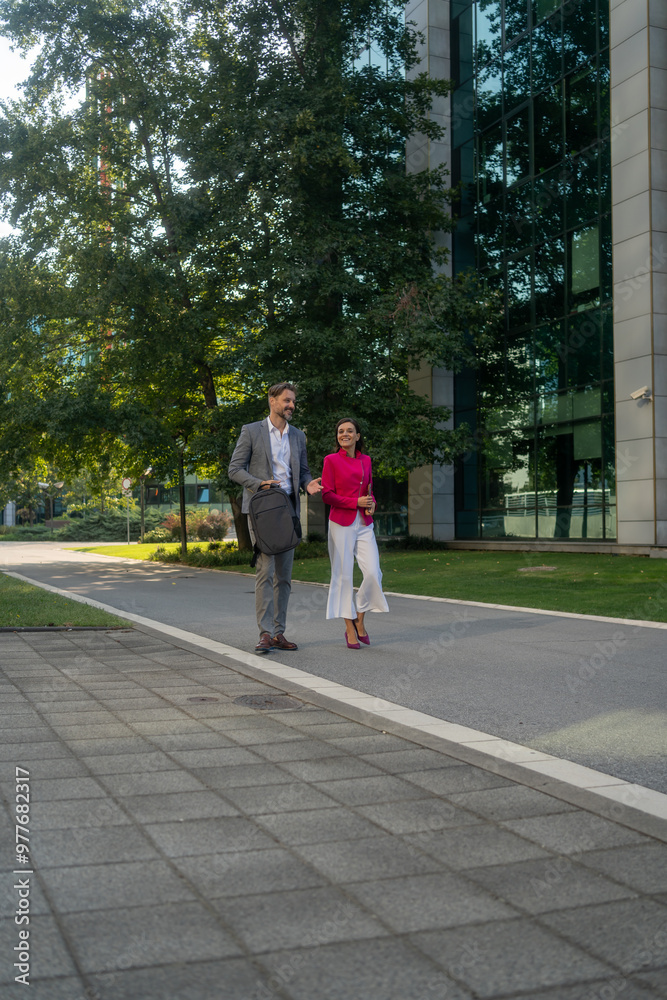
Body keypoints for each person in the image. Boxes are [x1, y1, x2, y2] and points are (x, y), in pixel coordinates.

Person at [228, 382, 322, 653]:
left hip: (288, 511)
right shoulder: (251, 431)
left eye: (293, 401)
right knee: (265, 572)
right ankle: (265, 633)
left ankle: (279, 633)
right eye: (286, 400)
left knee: (285, 577)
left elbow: (303, 471)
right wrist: (259, 484)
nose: (291, 405)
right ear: (272, 401)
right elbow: (234, 469)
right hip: (262, 511)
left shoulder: (298, 436)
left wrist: (307, 483)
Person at [321, 418, 388, 648]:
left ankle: (360, 617)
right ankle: (350, 628)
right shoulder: (330, 460)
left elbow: (369, 489)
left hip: (364, 523)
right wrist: (354, 502)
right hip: (341, 522)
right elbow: (327, 495)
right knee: (343, 576)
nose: (345, 434)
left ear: (358, 436)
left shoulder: (366, 460)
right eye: (341, 431)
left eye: (350, 431)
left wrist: (372, 503)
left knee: (373, 573)